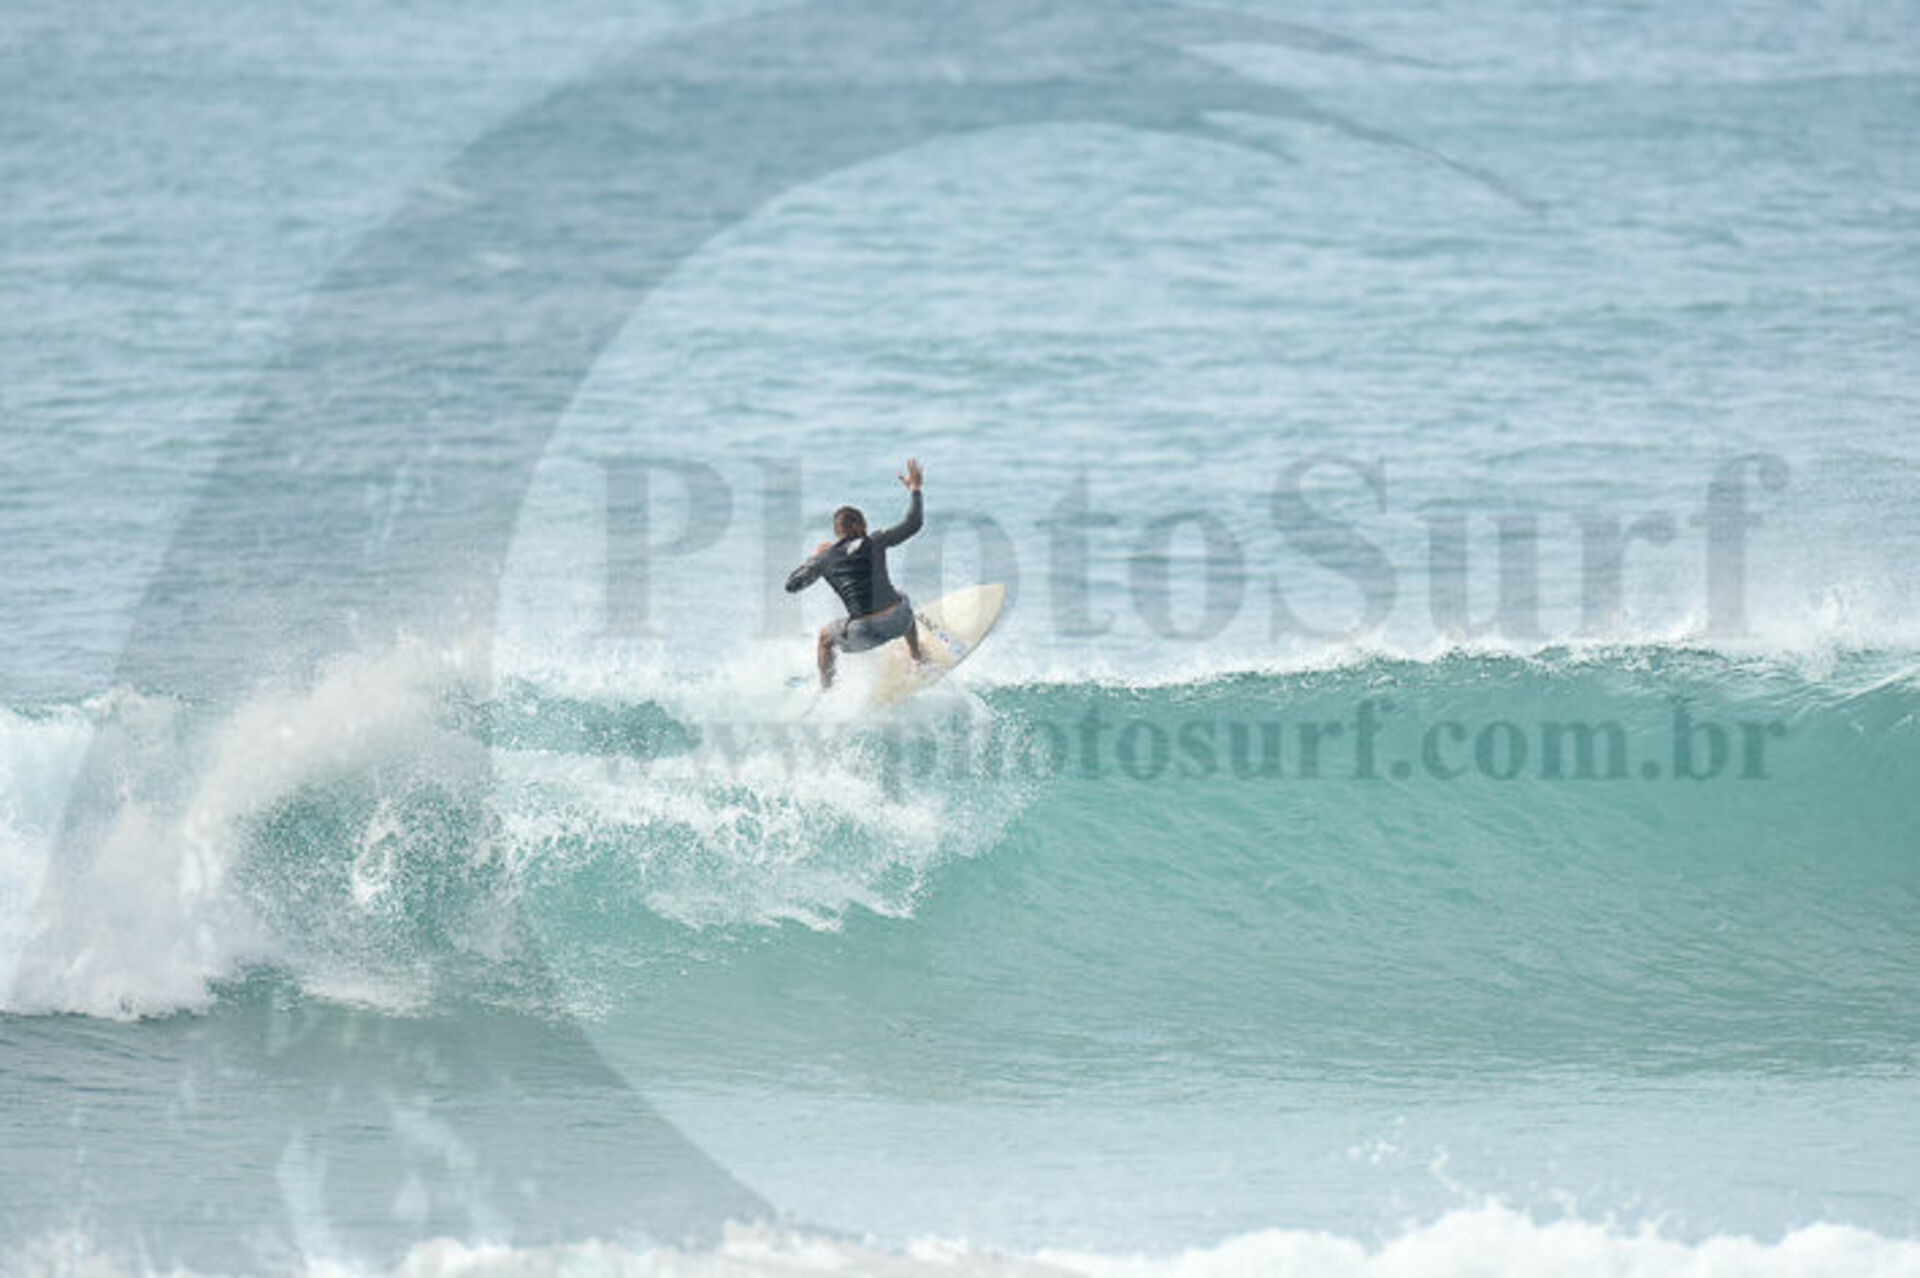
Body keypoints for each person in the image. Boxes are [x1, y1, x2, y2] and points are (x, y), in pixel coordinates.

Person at [785, 459, 926, 688]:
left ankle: (826, 691)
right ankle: (917, 657)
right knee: (903, 599)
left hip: (864, 635)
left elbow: (792, 586)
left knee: (825, 638)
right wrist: (915, 489)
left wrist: (815, 559)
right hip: (898, 623)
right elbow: (914, 523)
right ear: (860, 526)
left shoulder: (825, 559)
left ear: (837, 532)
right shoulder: (875, 540)